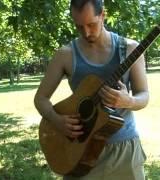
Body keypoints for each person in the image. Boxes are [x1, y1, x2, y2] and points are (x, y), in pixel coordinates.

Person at [34, 0, 149, 179]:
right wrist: (56, 120)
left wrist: (129, 101)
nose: (86, 32)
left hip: (124, 150)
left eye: (91, 24)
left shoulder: (130, 49)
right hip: (77, 152)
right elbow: (40, 98)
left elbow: (144, 95)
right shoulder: (65, 55)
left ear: (103, 14)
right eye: (79, 26)